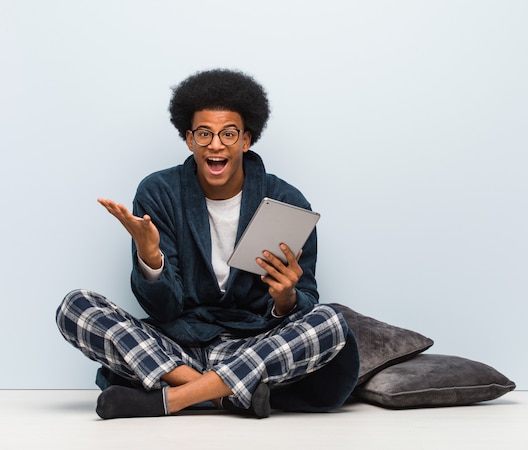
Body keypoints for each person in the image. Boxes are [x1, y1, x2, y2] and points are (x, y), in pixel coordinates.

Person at [56, 69, 359, 420]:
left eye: (228, 134)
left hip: (253, 349)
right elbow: (164, 310)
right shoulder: (159, 193)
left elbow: (306, 302)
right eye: (204, 134)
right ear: (189, 139)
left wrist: (285, 299)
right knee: (76, 307)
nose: (216, 144)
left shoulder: (286, 201)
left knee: (330, 321)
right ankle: (220, 395)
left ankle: (174, 400)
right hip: (176, 348)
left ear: (246, 140)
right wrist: (150, 258)